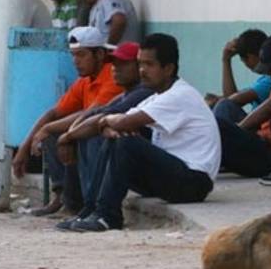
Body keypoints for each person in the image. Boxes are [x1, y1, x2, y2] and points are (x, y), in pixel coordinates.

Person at [62, 33, 220, 233]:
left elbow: (123, 121)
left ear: (168, 68)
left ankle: (107, 216)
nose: (142, 71)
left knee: (125, 142)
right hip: (173, 175)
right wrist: (108, 126)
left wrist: (106, 123)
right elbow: (116, 122)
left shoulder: (179, 95)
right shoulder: (156, 96)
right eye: (140, 64)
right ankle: (90, 211)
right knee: (115, 139)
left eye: (149, 65)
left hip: (193, 182)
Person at [12, 27, 124, 216]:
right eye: (73, 55)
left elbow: (92, 113)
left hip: (108, 138)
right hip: (88, 131)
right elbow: (54, 113)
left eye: (81, 55)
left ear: (99, 54)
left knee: (66, 134)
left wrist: (53, 130)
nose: (75, 61)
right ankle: (62, 198)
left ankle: (80, 203)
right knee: (53, 133)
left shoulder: (112, 75)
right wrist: (24, 147)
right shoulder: (85, 80)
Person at [52, 42, 155, 222]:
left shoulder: (144, 92)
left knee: (94, 136)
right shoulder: (124, 94)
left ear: (139, 67)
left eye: (123, 64)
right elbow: (92, 114)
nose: (115, 69)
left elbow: (100, 119)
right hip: (133, 170)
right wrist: (69, 136)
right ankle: (87, 207)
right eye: (114, 64)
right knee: (84, 134)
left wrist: (66, 137)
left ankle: (97, 209)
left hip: (151, 171)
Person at [214, 35, 271, 180]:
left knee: (222, 112)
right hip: (261, 139)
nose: (270, 75)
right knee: (218, 119)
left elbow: (232, 99)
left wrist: (236, 131)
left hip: (269, 153)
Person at [207, 29, 271, 121]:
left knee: (222, 107)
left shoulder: (270, 81)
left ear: (250, 57)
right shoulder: (265, 79)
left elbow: (229, 100)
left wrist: (226, 60)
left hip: (258, 129)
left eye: (244, 61)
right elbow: (232, 97)